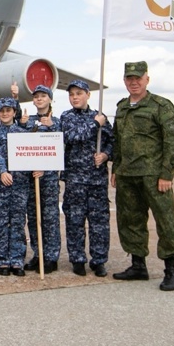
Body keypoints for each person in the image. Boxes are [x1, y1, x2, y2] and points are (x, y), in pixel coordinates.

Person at [111, 61, 174, 291]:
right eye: (129, 79)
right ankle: (138, 265)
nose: (133, 82)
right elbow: (118, 142)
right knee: (130, 221)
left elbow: (172, 141)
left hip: (154, 176)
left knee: (165, 221)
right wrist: (115, 169)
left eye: (137, 78)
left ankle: (171, 270)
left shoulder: (161, 106)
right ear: (124, 81)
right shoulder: (122, 107)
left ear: (146, 79)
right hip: (127, 175)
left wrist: (166, 173)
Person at [60, 80, 113, 277]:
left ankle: (99, 260)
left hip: (97, 179)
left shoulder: (100, 117)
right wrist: (94, 124)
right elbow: (72, 137)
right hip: (75, 179)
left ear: (88, 95)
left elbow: (112, 142)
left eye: (79, 93)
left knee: (99, 222)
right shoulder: (66, 117)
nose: (75, 97)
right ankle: (78, 259)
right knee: (75, 221)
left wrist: (105, 155)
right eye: (72, 94)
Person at [22, 85, 62, 275]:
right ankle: (38, 254)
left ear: (50, 99)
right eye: (36, 97)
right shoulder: (28, 121)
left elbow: (60, 148)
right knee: (33, 218)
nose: (39, 99)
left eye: (43, 96)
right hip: (31, 178)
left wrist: (51, 127)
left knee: (50, 219)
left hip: (49, 179)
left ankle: (51, 257)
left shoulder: (57, 122)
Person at [0, 97, 30, 276]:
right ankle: (2, 260)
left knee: (17, 222)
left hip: (20, 183)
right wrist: (2, 171)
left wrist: (38, 168)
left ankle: (17, 260)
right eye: (2, 111)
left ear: (15, 112)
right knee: (0, 222)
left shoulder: (22, 133)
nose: (5, 113)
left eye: (8, 110)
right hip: (2, 183)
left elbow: (31, 155)